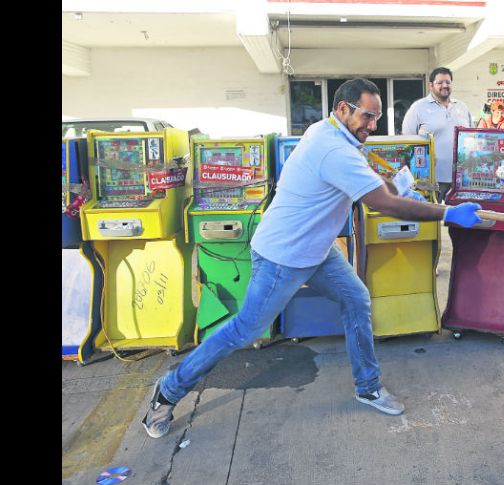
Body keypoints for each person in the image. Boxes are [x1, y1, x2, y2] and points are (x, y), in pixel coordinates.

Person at [141, 78, 483, 439]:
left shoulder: (332, 132)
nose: (372, 125)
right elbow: (380, 203)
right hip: (282, 257)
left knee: (356, 299)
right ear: (343, 109)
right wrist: (446, 213)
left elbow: (368, 179)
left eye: (377, 118)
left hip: (316, 250)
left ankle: (368, 386)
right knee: (245, 329)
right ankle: (167, 391)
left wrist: (396, 183)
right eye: (367, 116)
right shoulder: (333, 149)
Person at [401, 67, 473, 203]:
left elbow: (471, 138)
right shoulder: (418, 108)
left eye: (448, 82)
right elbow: (406, 141)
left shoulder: (462, 107)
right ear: (431, 85)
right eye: (440, 82)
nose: (445, 85)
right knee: (430, 220)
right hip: (428, 180)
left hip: (460, 179)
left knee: (458, 220)